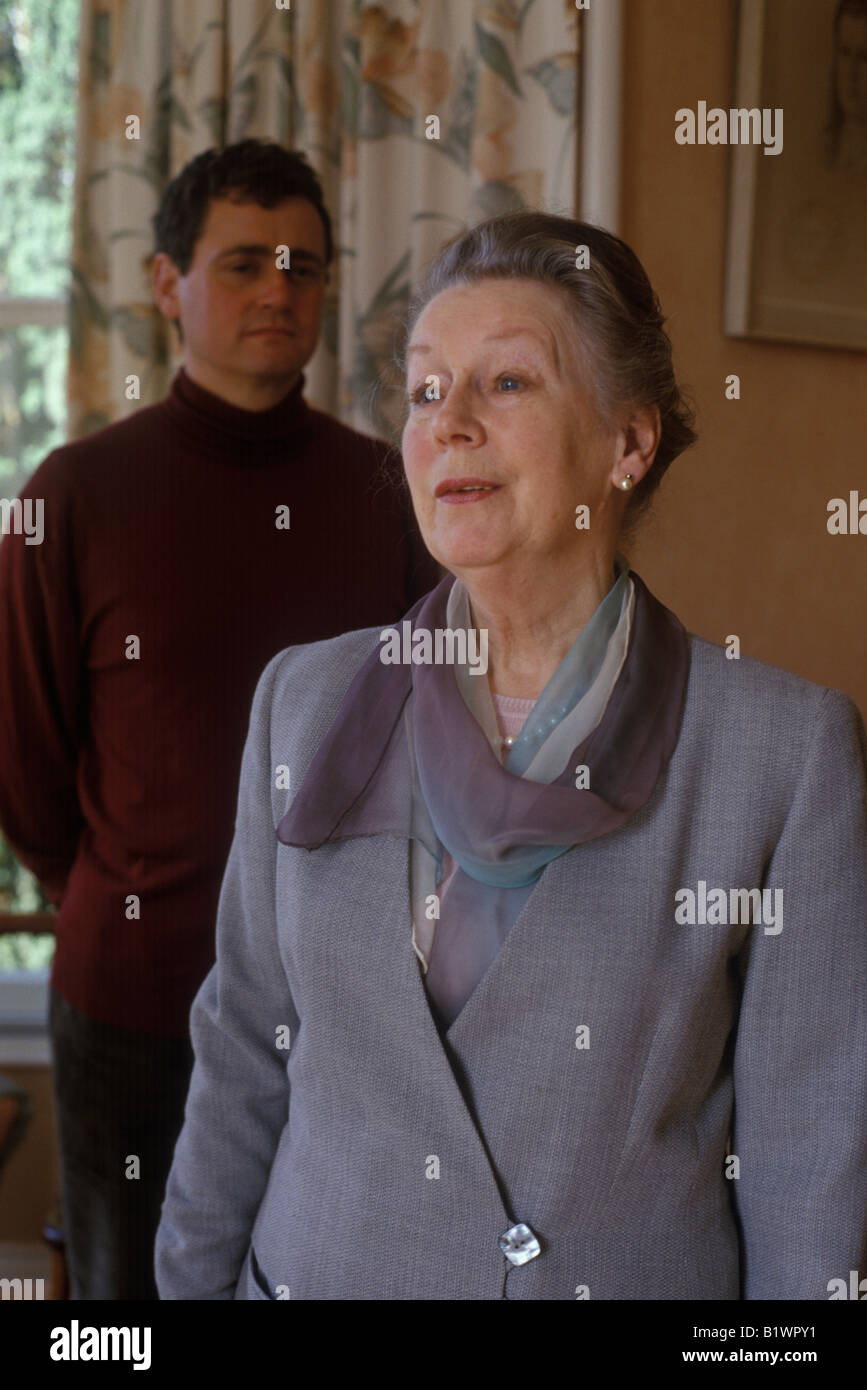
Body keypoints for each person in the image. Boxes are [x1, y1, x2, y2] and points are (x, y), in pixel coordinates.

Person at [155, 210, 867, 1301]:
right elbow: (246, 1046)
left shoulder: (784, 752)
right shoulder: (303, 702)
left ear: (629, 442)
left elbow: (808, 1158)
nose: (450, 424)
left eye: (509, 384)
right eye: (429, 391)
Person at [0, 139, 436, 1301]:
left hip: (335, 1001)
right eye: (243, 263)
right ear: (165, 284)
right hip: (134, 995)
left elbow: (430, 736)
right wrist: (131, 886)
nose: (279, 290)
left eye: (304, 265)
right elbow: (28, 765)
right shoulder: (72, 495)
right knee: (122, 1302)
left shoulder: (392, 491)